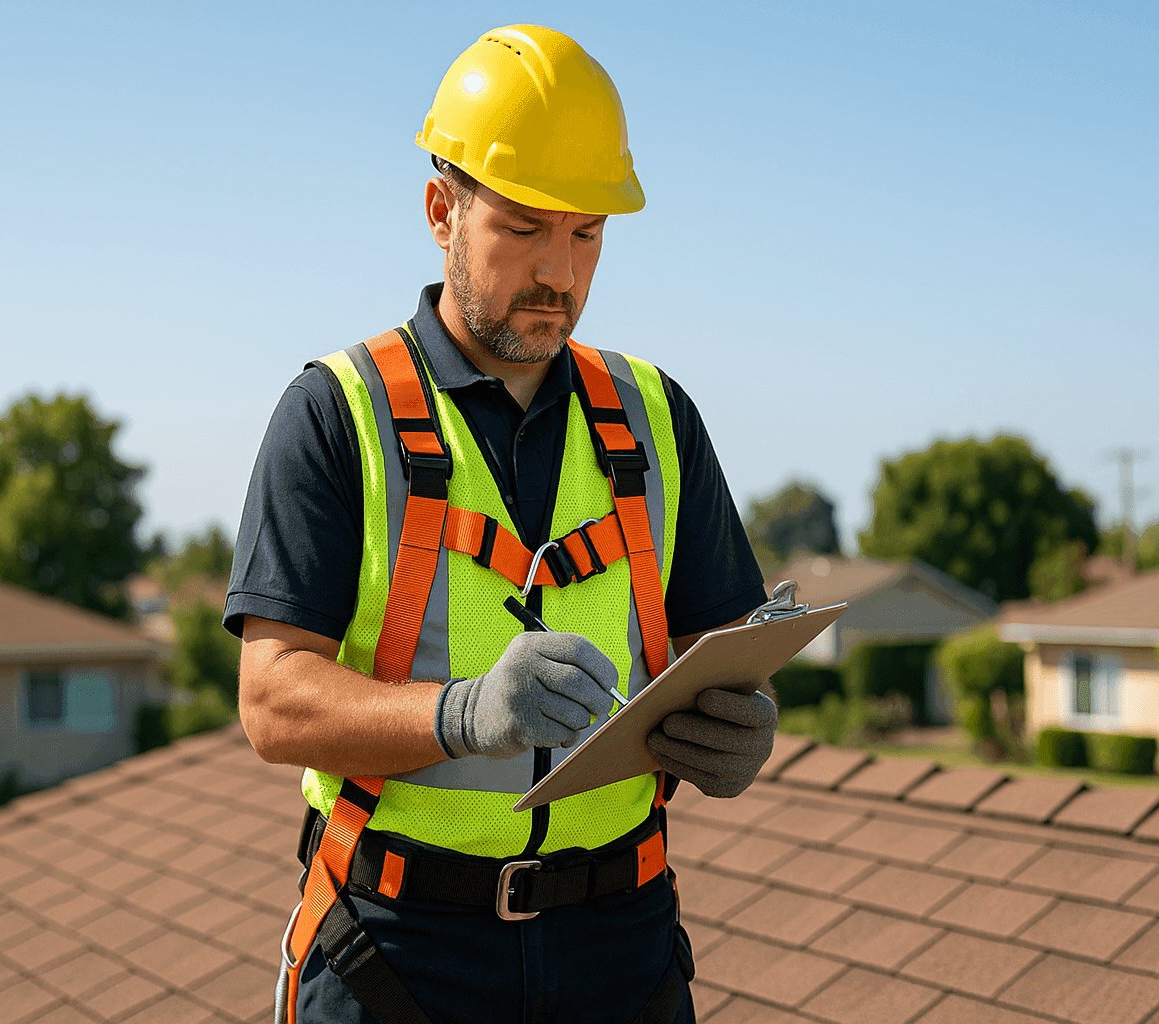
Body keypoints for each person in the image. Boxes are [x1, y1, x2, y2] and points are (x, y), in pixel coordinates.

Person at [226, 24, 775, 1024]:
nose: (558, 272)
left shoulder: (655, 418)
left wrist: (732, 729)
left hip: (621, 941)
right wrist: (466, 714)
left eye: (587, 232)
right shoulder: (335, 413)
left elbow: (710, 654)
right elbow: (272, 706)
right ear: (442, 210)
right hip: (396, 947)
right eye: (522, 227)